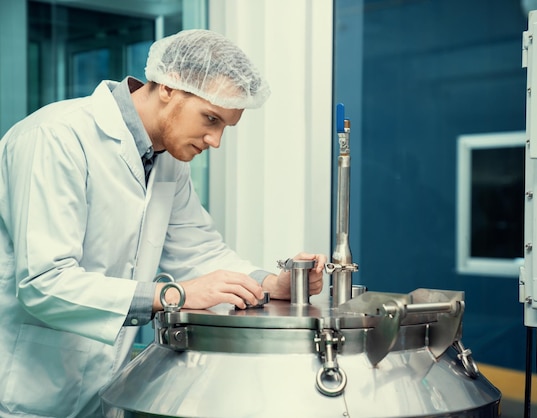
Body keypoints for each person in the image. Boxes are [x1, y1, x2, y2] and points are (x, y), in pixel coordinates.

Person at [0, 29, 326, 417]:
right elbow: (43, 283)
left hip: (103, 392)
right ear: (169, 88)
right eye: (210, 118)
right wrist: (174, 296)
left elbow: (199, 253)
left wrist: (270, 284)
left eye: (225, 127)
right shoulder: (55, 138)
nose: (215, 141)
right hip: (24, 396)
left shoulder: (166, 159)